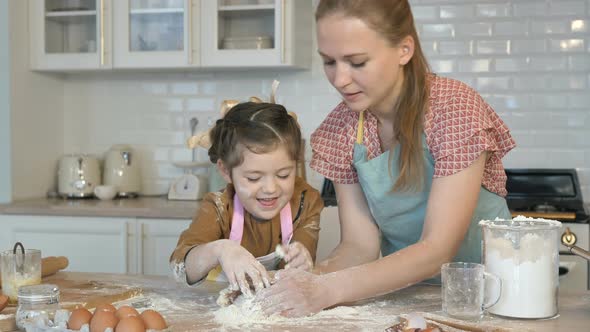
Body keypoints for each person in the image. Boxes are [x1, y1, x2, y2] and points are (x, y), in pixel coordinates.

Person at [258, 0, 516, 317]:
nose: (339, 80)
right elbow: (359, 247)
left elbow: (438, 249)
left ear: (404, 50)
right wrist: (299, 283)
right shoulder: (342, 130)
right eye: (329, 62)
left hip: (493, 298)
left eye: (357, 62)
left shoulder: (454, 109)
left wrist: (326, 289)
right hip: (409, 298)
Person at [170, 101, 324, 297]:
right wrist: (221, 250)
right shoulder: (218, 207)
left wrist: (301, 258)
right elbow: (181, 266)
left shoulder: (305, 201)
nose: (270, 189)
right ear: (226, 171)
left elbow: (296, 271)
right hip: (219, 311)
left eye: (284, 175)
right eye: (253, 178)